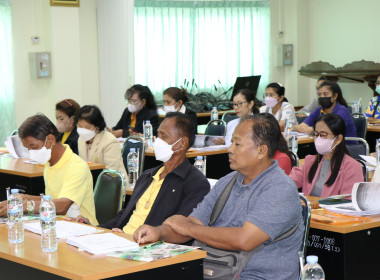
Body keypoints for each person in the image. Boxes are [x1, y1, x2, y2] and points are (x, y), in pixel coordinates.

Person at [134, 115, 304, 280]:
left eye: (237, 144)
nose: (230, 149)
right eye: (231, 142)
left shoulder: (280, 189)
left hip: (257, 275)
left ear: (261, 151)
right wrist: (158, 232)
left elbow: (244, 240)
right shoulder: (227, 182)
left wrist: (189, 229)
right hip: (217, 270)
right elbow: (192, 222)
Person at [69, 112, 210, 235]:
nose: (157, 141)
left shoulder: (195, 183)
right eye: (157, 135)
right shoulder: (147, 176)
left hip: (151, 249)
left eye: (164, 136)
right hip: (122, 240)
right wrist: (94, 230)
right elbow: (123, 216)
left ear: (182, 143)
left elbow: (179, 230)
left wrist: (132, 238)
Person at [0, 114, 97, 225]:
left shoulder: (76, 166)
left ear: (50, 140)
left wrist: (25, 206)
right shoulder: (50, 163)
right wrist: (23, 198)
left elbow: (63, 206)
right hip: (58, 224)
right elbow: (49, 200)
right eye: (28, 149)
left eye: (34, 147)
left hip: (82, 229)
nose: (31, 153)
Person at [290, 114, 363, 197]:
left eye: (323, 135)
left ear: (338, 139)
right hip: (311, 209)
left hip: (331, 210)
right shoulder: (310, 161)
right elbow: (289, 182)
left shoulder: (352, 167)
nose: (318, 139)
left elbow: (349, 202)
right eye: (316, 134)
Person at [76, 105, 127, 178]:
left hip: (112, 182)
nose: (83, 130)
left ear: (97, 127)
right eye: (80, 126)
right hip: (90, 181)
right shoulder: (81, 139)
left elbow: (112, 172)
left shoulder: (109, 141)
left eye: (87, 127)